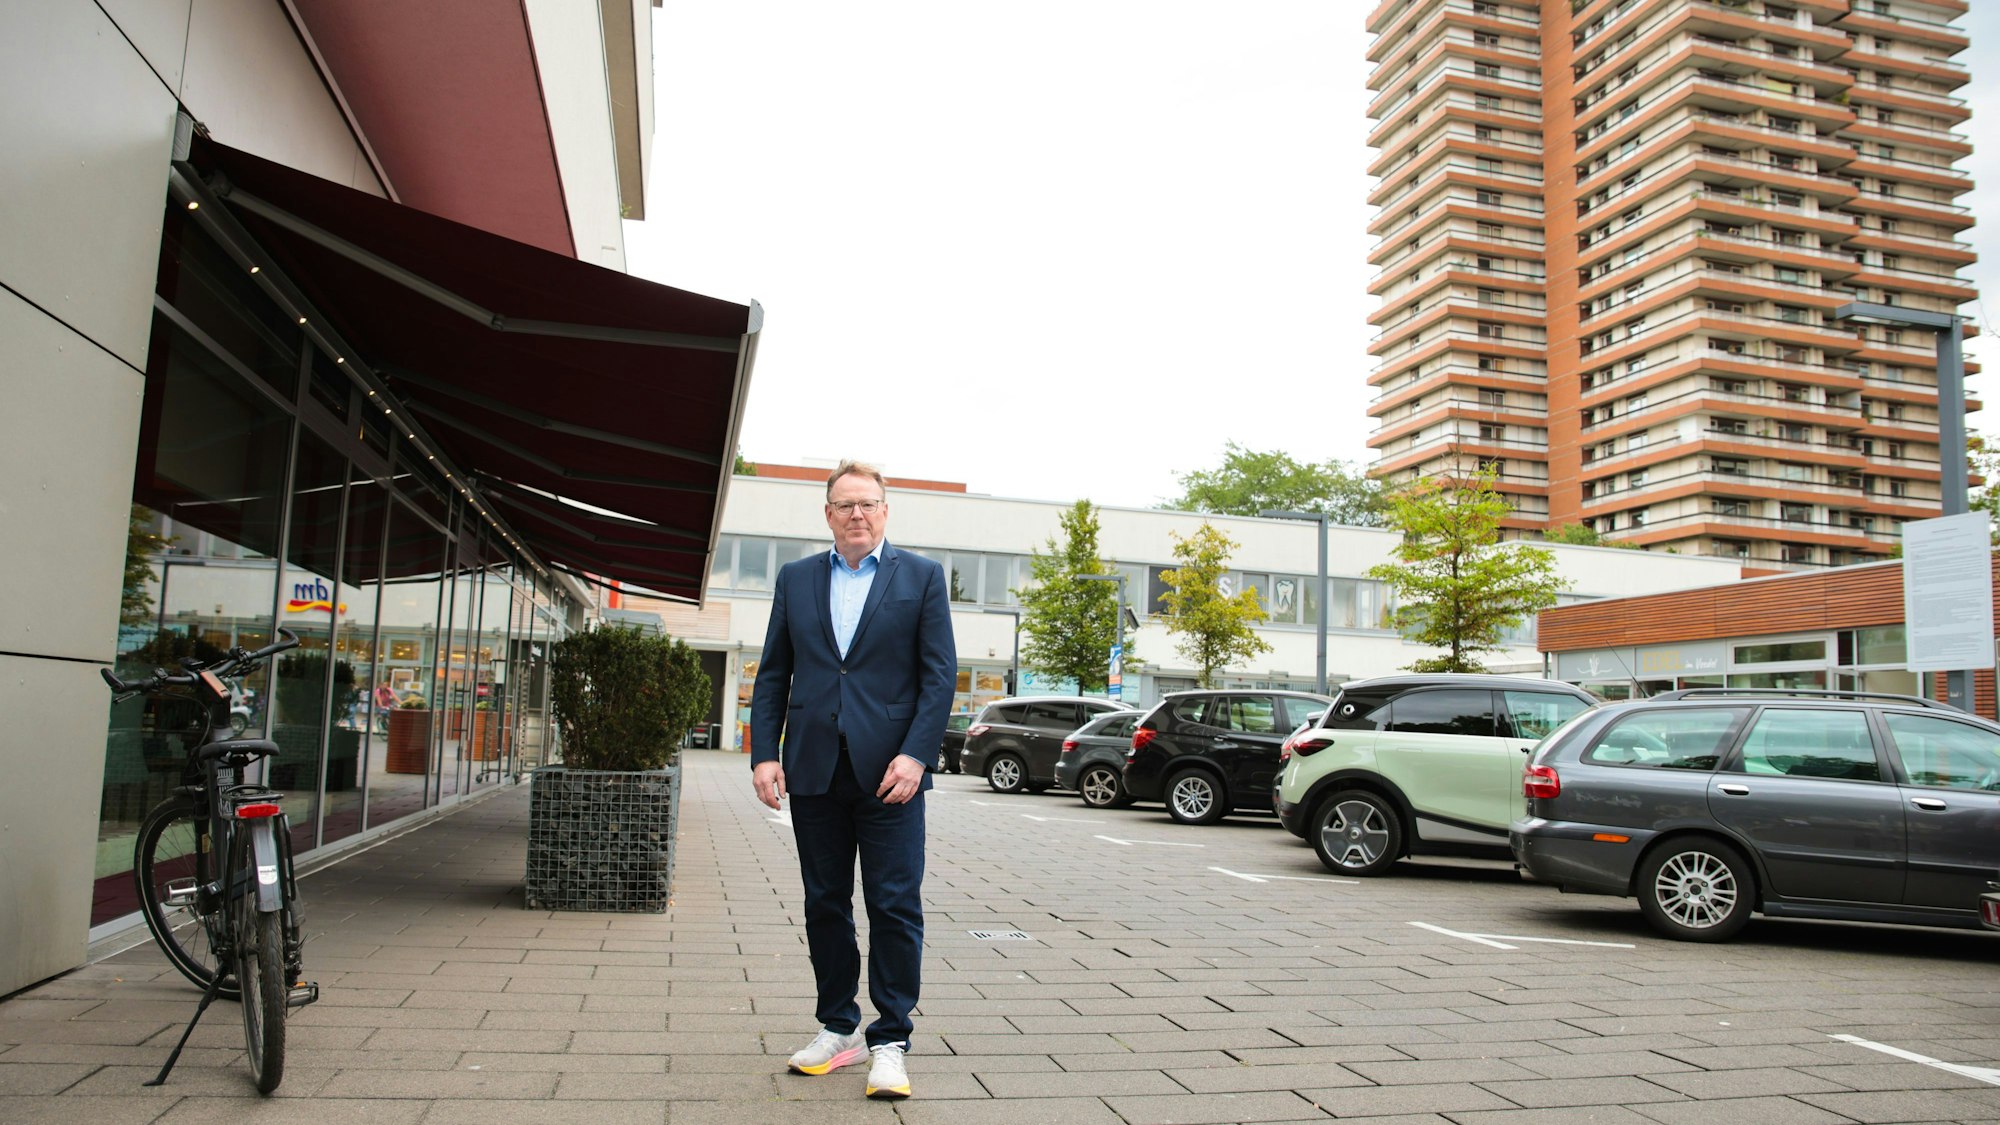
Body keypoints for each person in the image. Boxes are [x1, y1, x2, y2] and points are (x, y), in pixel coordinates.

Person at [750, 460, 954, 1100]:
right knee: (824, 903)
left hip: (892, 773)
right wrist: (764, 752)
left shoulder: (920, 578)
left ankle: (890, 1039)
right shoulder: (796, 578)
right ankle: (838, 1027)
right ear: (828, 514)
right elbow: (773, 673)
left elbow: (938, 678)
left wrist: (917, 756)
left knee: (894, 904)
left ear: (885, 511)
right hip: (813, 767)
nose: (856, 515)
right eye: (845, 505)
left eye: (868, 504)